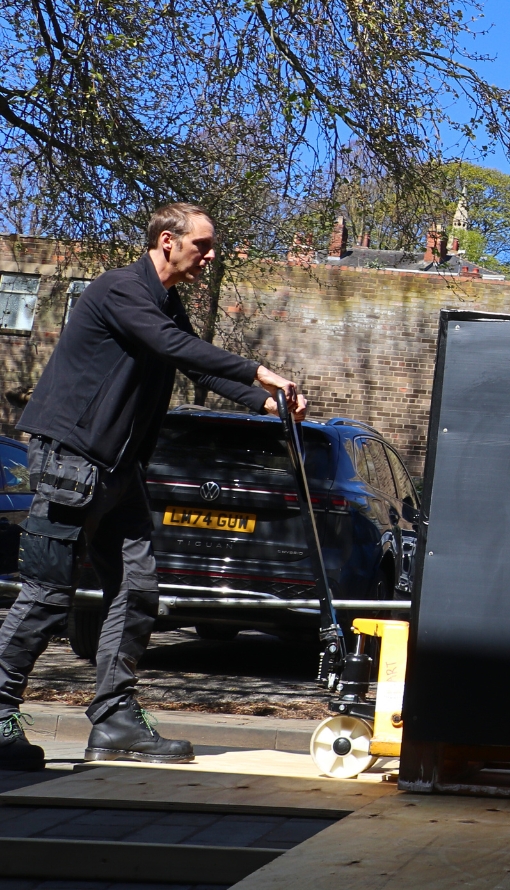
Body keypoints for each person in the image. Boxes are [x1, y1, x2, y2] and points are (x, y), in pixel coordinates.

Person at [0, 203, 305, 770]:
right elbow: (172, 347)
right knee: (46, 594)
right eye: (203, 246)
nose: (211, 257)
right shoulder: (122, 291)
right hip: (72, 458)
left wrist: (267, 402)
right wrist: (257, 369)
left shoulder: (164, 303)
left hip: (117, 470)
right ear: (167, 241)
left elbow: (199, 368)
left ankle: (114, 720)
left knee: (135, 589)